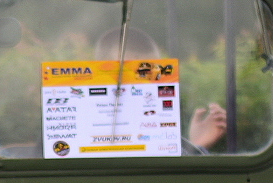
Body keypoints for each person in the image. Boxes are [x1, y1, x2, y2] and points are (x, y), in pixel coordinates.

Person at [93, 26, 226, 152]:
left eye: (153, 77)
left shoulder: (166, 139)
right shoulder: (82, 138)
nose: (140, 91)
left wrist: (197, 145)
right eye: (127, 77)